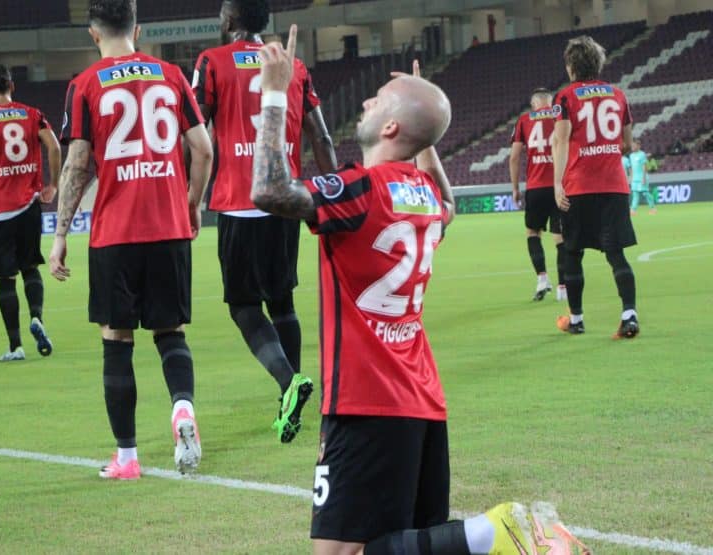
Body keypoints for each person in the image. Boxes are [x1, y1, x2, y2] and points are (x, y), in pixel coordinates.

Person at [251, 29, 591, 555]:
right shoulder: (426, 194)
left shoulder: (363, 189)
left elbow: (269, 190)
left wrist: (274, 92)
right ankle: (485, 536)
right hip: (420, 400)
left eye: (378, 100)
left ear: (390, 126)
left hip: (366, 401)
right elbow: (447, 208)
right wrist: (425, 131)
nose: (365, 100)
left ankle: (493, 532)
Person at [50, 0, 214, 478]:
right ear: (137, 28)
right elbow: (203, 149)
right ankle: (182, 408)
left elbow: (78, 164)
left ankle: (126, 458)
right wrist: (191, 203)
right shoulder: (170, 74)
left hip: (115, 233)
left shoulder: (84, 85)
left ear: (93, 35)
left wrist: (60, 235)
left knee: (116, 338)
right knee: (171, 333)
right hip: (168, 228)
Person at [192, 0, 337, 443]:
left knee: (243, 306)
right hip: (285, 200)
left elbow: (194, 130)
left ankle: (287, 383)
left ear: (231, 20)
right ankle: (288, 401)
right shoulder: (288, 64)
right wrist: (332, 196)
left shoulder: (211, 62)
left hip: (239, 200)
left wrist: (188, 196)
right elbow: (322, 136)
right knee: (282, 301)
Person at [0, 64, 61, 361]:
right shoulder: (33, 114)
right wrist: (53, 184)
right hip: (29, 204)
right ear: (12, 87)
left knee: (6, 279)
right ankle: (37, 318)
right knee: (31, 268)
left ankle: (15, 346)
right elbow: (55, 147)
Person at [552, 36, 639, 339]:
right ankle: (629, 315)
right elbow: (627, 143)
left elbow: (562, 141)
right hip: (615, 186)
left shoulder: (565, 97)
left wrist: (557, 184)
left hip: (579, 187)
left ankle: (576, 319)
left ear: (571, 66)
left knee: (573, 253)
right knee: (616, 254)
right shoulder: (618, 95)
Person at [510, 88, 566, 302]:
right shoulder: (560, 115)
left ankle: (542, 278)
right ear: (550, 102)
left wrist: (515, 188)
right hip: (559, 185)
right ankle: (563, 287)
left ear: (534, 104)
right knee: (561, 237)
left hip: (535, 187)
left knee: (533, 233)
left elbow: (514, 157)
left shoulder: (524, 120)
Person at [627, 139, 655, 215]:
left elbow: (644, 167)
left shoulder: (642, 154)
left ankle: (653, 208)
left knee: (645, 193)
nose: (632, 147)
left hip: (642, 177)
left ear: (638, 146)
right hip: (635, 179)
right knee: (635, 194)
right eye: (632, 145)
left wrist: (644, 178)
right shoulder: (631, 155)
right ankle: (633, 210)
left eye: (634, 145)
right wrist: (631, 178)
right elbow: (632, 168)